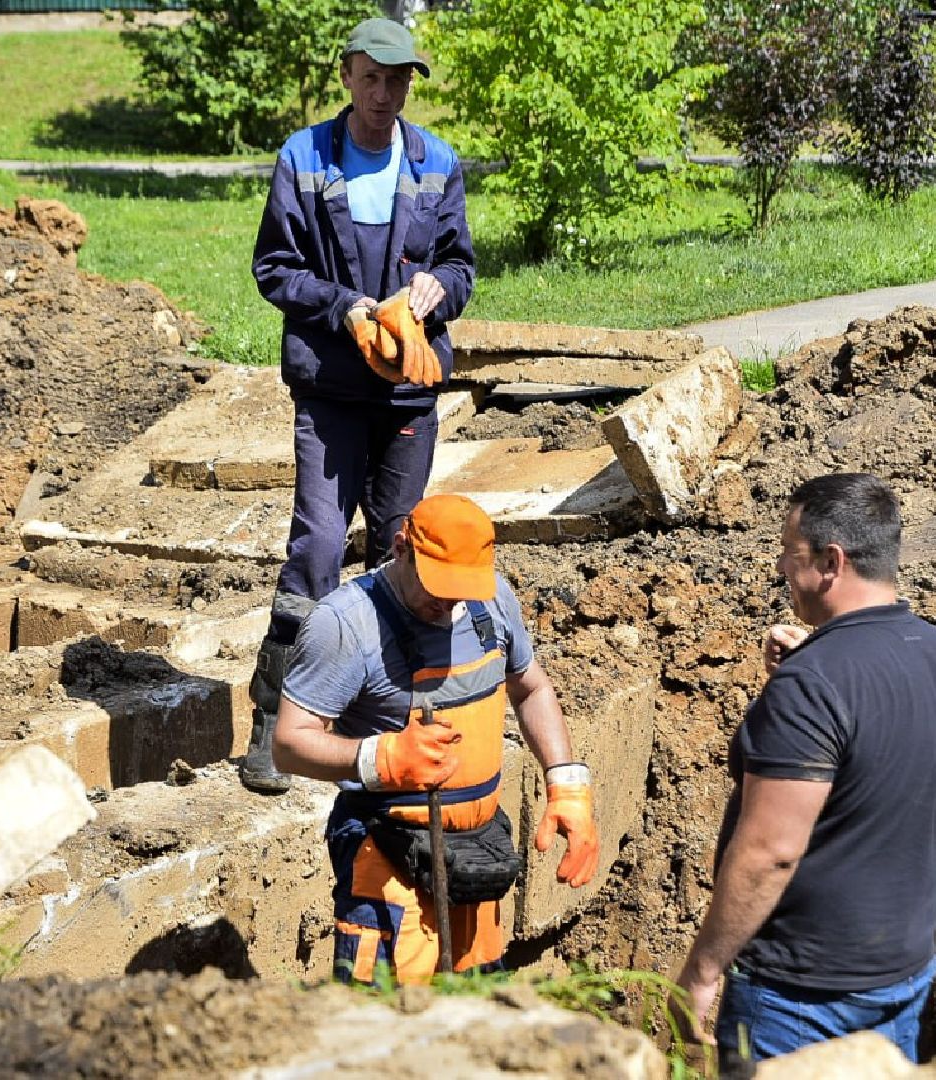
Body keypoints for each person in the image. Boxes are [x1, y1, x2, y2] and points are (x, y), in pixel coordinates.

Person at [240, 16, 476, 793]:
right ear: (345, 75)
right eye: (371, 78)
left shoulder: (435, 162)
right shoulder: (304, 158)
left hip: (407, 390)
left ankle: (378, 724)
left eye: (398, 79)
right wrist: (343, 305)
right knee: (314, 549)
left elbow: (459, 265)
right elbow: (274, 268)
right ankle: (273, 723)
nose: (384, 94)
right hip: (333, 389)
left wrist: (440, 288)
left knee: (395, 553)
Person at [674, 473, 936, 1067]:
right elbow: (870, 765)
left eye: (790, 554)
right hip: (901, 974)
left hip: (800, 995)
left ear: (830, 561)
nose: (783, 570)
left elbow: (770, 853)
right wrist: (804, 670)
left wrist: (703, 970)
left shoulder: (812, 686)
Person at [272, 493, 599, 984]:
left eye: (461, 589)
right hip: (387, 851)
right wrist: (378, 757)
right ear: (401, 548)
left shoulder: (491, 601)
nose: (447, 601)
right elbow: (289, 743)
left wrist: (567, 784)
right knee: (389, 1029)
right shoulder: (345, 624)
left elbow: (531, 688)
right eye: (436, 586)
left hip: (476, 854)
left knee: (476, 1021)